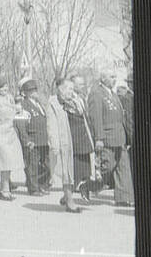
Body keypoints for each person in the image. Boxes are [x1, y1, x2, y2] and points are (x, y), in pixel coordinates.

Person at [88, 68, 134, 206]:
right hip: (107, 137)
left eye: (115, 76)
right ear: (103, 78)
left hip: (120, 137)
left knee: (123, 167)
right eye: (111, 76)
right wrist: (99, 138)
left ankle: (123, 198)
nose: (114, 79)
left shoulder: (113, 94)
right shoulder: (96, 94)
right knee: (107, 167)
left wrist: (127, 137)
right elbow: (96, 118)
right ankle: (88, 186)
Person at [46, 76, 82, 213]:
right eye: (69, 88)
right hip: (62, 143)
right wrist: (54, 144)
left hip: (75, 141)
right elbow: (51, 125)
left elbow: (80, 114)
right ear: (61, 89)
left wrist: (74, 100)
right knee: (65, 172)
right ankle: (70, 200)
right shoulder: (53, 103)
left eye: (72, 89)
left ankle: (67, 196)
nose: (71, 91)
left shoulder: (72, 101)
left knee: (73, 171)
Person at [15, 78, 50, 195]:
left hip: (43, 140)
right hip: (33, 140)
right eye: (31, 90)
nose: (35, 92)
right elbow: (20, 125)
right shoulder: (22, 105)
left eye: (35, 89)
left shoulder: (39, 104)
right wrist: (26, 141)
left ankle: (41, 185)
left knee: (47, 165)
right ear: (24, 93)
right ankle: (33, 188)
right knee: (32, 166)